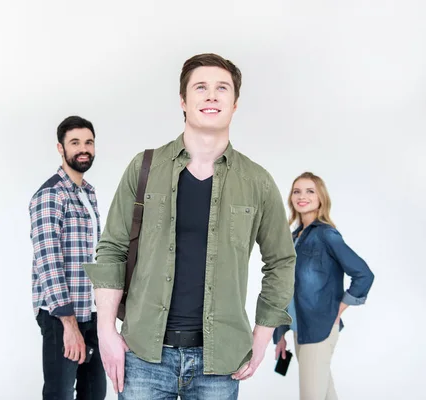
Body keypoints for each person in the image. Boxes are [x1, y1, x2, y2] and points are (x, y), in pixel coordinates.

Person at [82, 53, 296, 400]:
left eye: (221, 88)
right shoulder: (144, 167)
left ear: (234, 103)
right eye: (201, 87)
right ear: (184, 100)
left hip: (220, 363)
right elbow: (112, 248)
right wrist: (106, 331)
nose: (211, 95)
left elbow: (281, 260)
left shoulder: (257, 182)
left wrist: (262, 336)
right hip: (144, 357)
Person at [273, 172, 375, 400]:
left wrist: (340, 307)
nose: (302, 196)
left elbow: (364, 274)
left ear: (321, 197)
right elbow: (285, 288)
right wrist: (279, 333)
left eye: (310, 191)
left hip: (320, 329)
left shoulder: (327, 235)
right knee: (325, 394)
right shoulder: (293, 238)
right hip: (300, 330)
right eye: (297, 191)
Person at [29, 115, 106, 399]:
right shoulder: (51, 194)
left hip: (92, 312)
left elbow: (96, 255)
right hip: (61, 315)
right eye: (75, 143)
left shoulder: (89, 194)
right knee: (60, 393)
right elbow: (48, 261)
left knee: (95, 392)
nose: (83, 148)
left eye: (88, 142)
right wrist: (68, 323)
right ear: (61, 148)